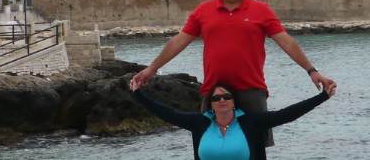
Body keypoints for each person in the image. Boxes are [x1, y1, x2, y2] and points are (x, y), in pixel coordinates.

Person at [131, 0, 334, 144]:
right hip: (214, 93)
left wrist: (311, 70)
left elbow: (287, 42)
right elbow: (178, 42)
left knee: (255, 148)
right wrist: (152, 69)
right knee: (211, 146)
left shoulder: (261, 10)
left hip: (251, 90)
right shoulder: (203, 10)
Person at [130, 78, 335, 160]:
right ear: (210, 103)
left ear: (233, 101)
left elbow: (288, 114)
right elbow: (167, 113)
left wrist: (323, 96)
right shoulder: (199, 123)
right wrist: (138, 94)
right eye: (216, 98)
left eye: (226, 96)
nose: (222, 100)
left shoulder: (252, 122)